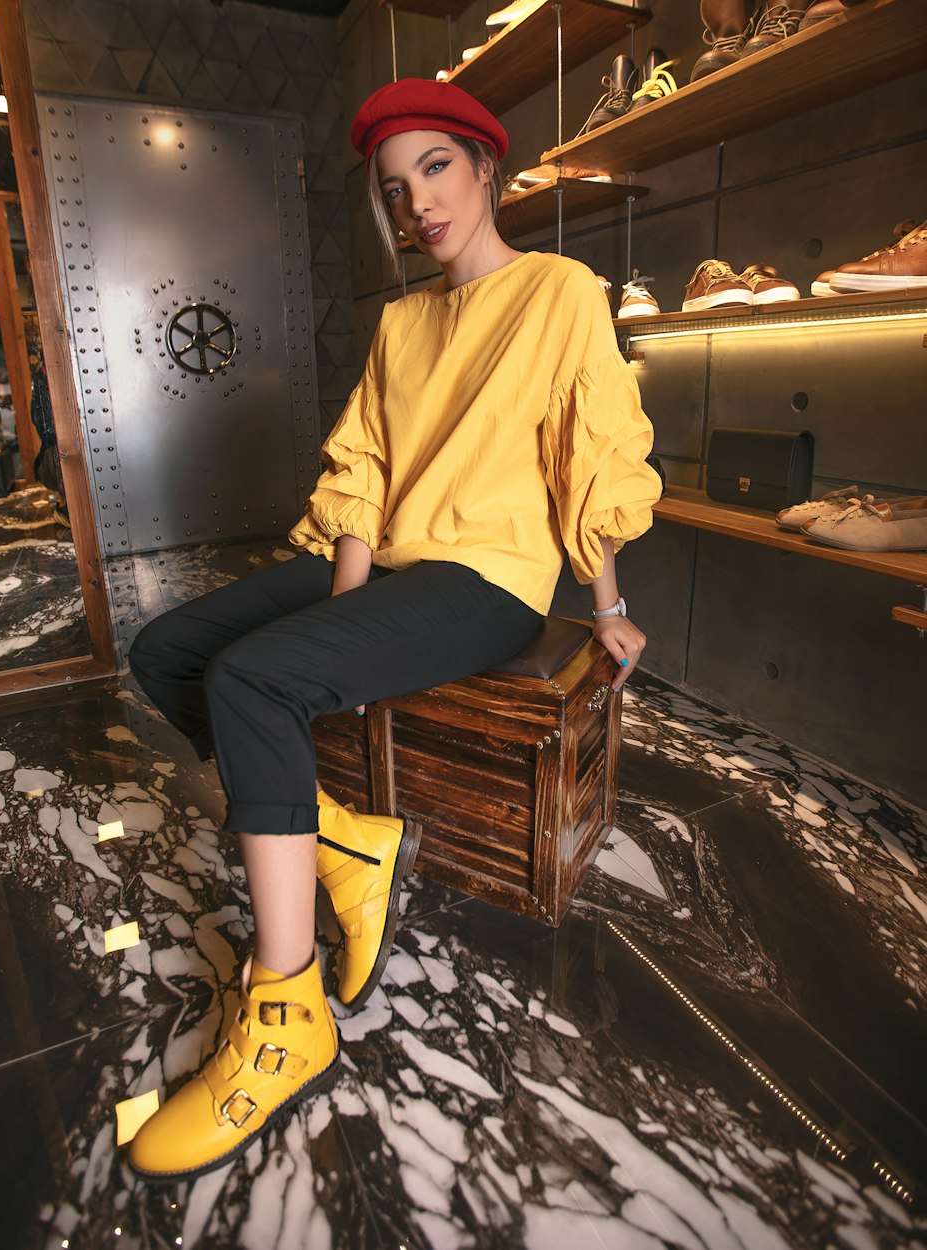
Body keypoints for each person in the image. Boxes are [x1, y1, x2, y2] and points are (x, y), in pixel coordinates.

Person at [126, 78, 662, 1183]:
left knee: (256, 681)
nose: (417, 201)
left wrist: (605, 606)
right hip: (391, 564)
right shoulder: (402, 321)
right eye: (394, 185)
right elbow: (363, 467)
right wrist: (343, 601)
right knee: (169, 651)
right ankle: (340, 838)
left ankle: (288, 1013)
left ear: (484, 170)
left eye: (435, 168)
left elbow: (587, 448)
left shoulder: (558, 291)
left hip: (488, 576)